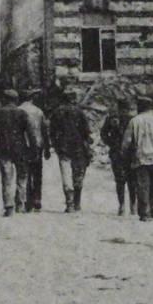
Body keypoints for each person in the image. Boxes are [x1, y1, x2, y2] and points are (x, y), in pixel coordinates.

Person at [120, 96, 153, 221]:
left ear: (140, 107)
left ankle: (144, 213)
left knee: (142, 185)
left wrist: (123, 155)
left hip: (140, 158)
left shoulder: (134, 121)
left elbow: (126, 141)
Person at [48, 84, 92, 213]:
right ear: (73, 99)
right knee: (78, 175)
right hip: (78, 149)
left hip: (63, 149)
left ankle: (69, 204)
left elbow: (52, 132)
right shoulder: (80, 112)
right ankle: (77, 203)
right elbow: (87, 132)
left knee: (66, 176)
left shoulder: (57, 112)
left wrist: (55, 145)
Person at [0, 89, 31, 216]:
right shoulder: (22, 113)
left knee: (6, 178)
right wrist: (32, 149)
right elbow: (30, 133)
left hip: (3, 150)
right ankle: (21, 205)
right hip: (20, 150)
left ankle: (9, 206)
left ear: (4, 100)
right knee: (22, 177)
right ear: (16, 100)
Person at [100, 98, 138, 216]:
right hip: (131, 153)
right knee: (132, 180)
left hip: (116, 152)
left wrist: (111, 143)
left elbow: (103, 134)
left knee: (120, 181)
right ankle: (133, 205)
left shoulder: (111, 118)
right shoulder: (133, 119)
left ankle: (122, 206)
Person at [18, 90, 50, 212]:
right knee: (37, 173)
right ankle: (37, 199)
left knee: (24, 173)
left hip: (23, 146)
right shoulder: (38, 111)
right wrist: (47, 148)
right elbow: (44, 130)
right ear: (32, 98)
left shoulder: (18, 110)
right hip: (37, 146)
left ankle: (26, 200)